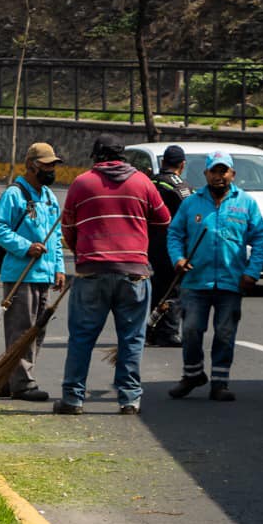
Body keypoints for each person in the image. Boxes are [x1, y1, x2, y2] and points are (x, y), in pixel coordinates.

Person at [57, 132, 171, 415]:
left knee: (82, 338)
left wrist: (81, 251)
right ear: (123, 156)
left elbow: (68, 227)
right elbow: (164, 218)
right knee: (131, 339)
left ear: (96, 157)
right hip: (134, 272)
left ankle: (73, 399)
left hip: (91, 270)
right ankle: (130, 399)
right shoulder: (142, 182)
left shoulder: (82, 183)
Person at [166, 151, 263, 402]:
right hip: (195, 281)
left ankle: (220, 383)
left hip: (231, 281)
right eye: (214, 171)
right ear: (206, 174)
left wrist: (252, 272)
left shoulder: (246, 203)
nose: (219, 176)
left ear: (232, 174)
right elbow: (175, 234)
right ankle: (192, 375)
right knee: (190, 330)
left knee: (224, 333)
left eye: (224, 171)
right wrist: (178, 259)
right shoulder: (191, 203)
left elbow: (260, 238)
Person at [0, 142, 66, 400]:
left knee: (37, 330)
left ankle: (12, 379)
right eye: (46, 165)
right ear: (31, 165)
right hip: (20, 274)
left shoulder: (48, 196)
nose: (51, 169)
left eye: (53, 165)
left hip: (43, 274)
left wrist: (59, 267)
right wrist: (25, 247)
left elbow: (55, 237)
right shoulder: (14, 194)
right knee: (21, 330)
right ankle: (23, 384)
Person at [146, 145, 192, 347]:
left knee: (156, 288)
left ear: (163, 161)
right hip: (171, 243)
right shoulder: (179, 185)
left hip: (148, 242)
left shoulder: (149, 181)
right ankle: (169, 332)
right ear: (182, 165)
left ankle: (152, 330)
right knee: (173, 288)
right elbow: (190, 212)